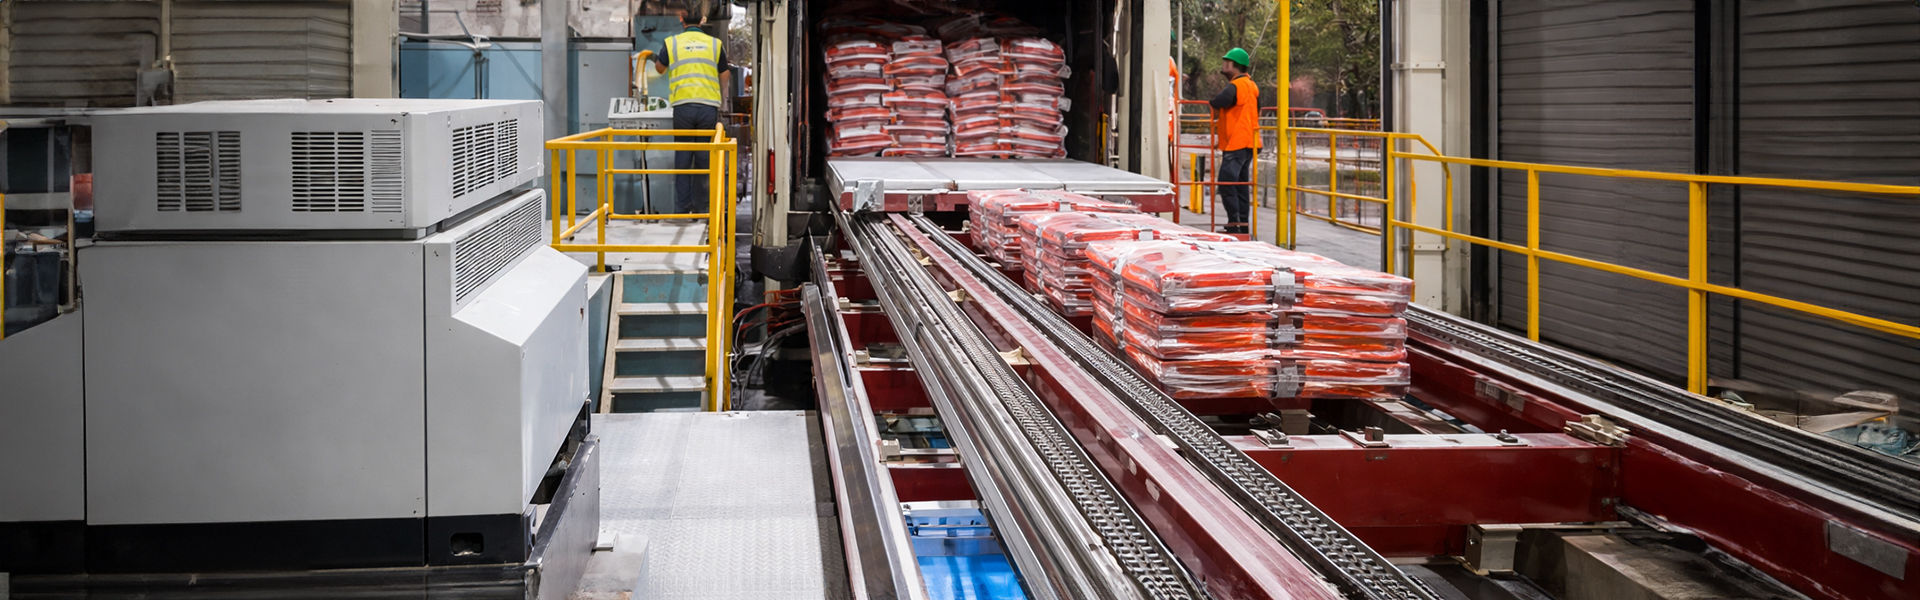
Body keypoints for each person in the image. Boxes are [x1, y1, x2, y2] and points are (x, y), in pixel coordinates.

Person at [650, 2, 732, 216]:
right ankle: (704, 209)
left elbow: (659, 69)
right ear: (702, 21)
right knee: (705, 159)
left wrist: (652, 56)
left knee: (684, 159)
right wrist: (721, 99)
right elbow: (725, 74)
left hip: (683, 108)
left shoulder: (672, 43)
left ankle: (683, 209)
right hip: (707, 108)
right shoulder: (715, 44)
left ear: (681, 17)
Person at [1209, 47, 1260, 235]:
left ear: (1232, 65)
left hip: (1238, 142)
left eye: (1225, 62)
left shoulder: (1236, 86)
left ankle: (1234, 224)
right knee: (1240, 184)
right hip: (1249, 143)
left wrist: (1211, 103)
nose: (1223, 65)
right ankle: (1242, 225)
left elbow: (1219, 101)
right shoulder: (1252, 85)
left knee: (1226, 182)